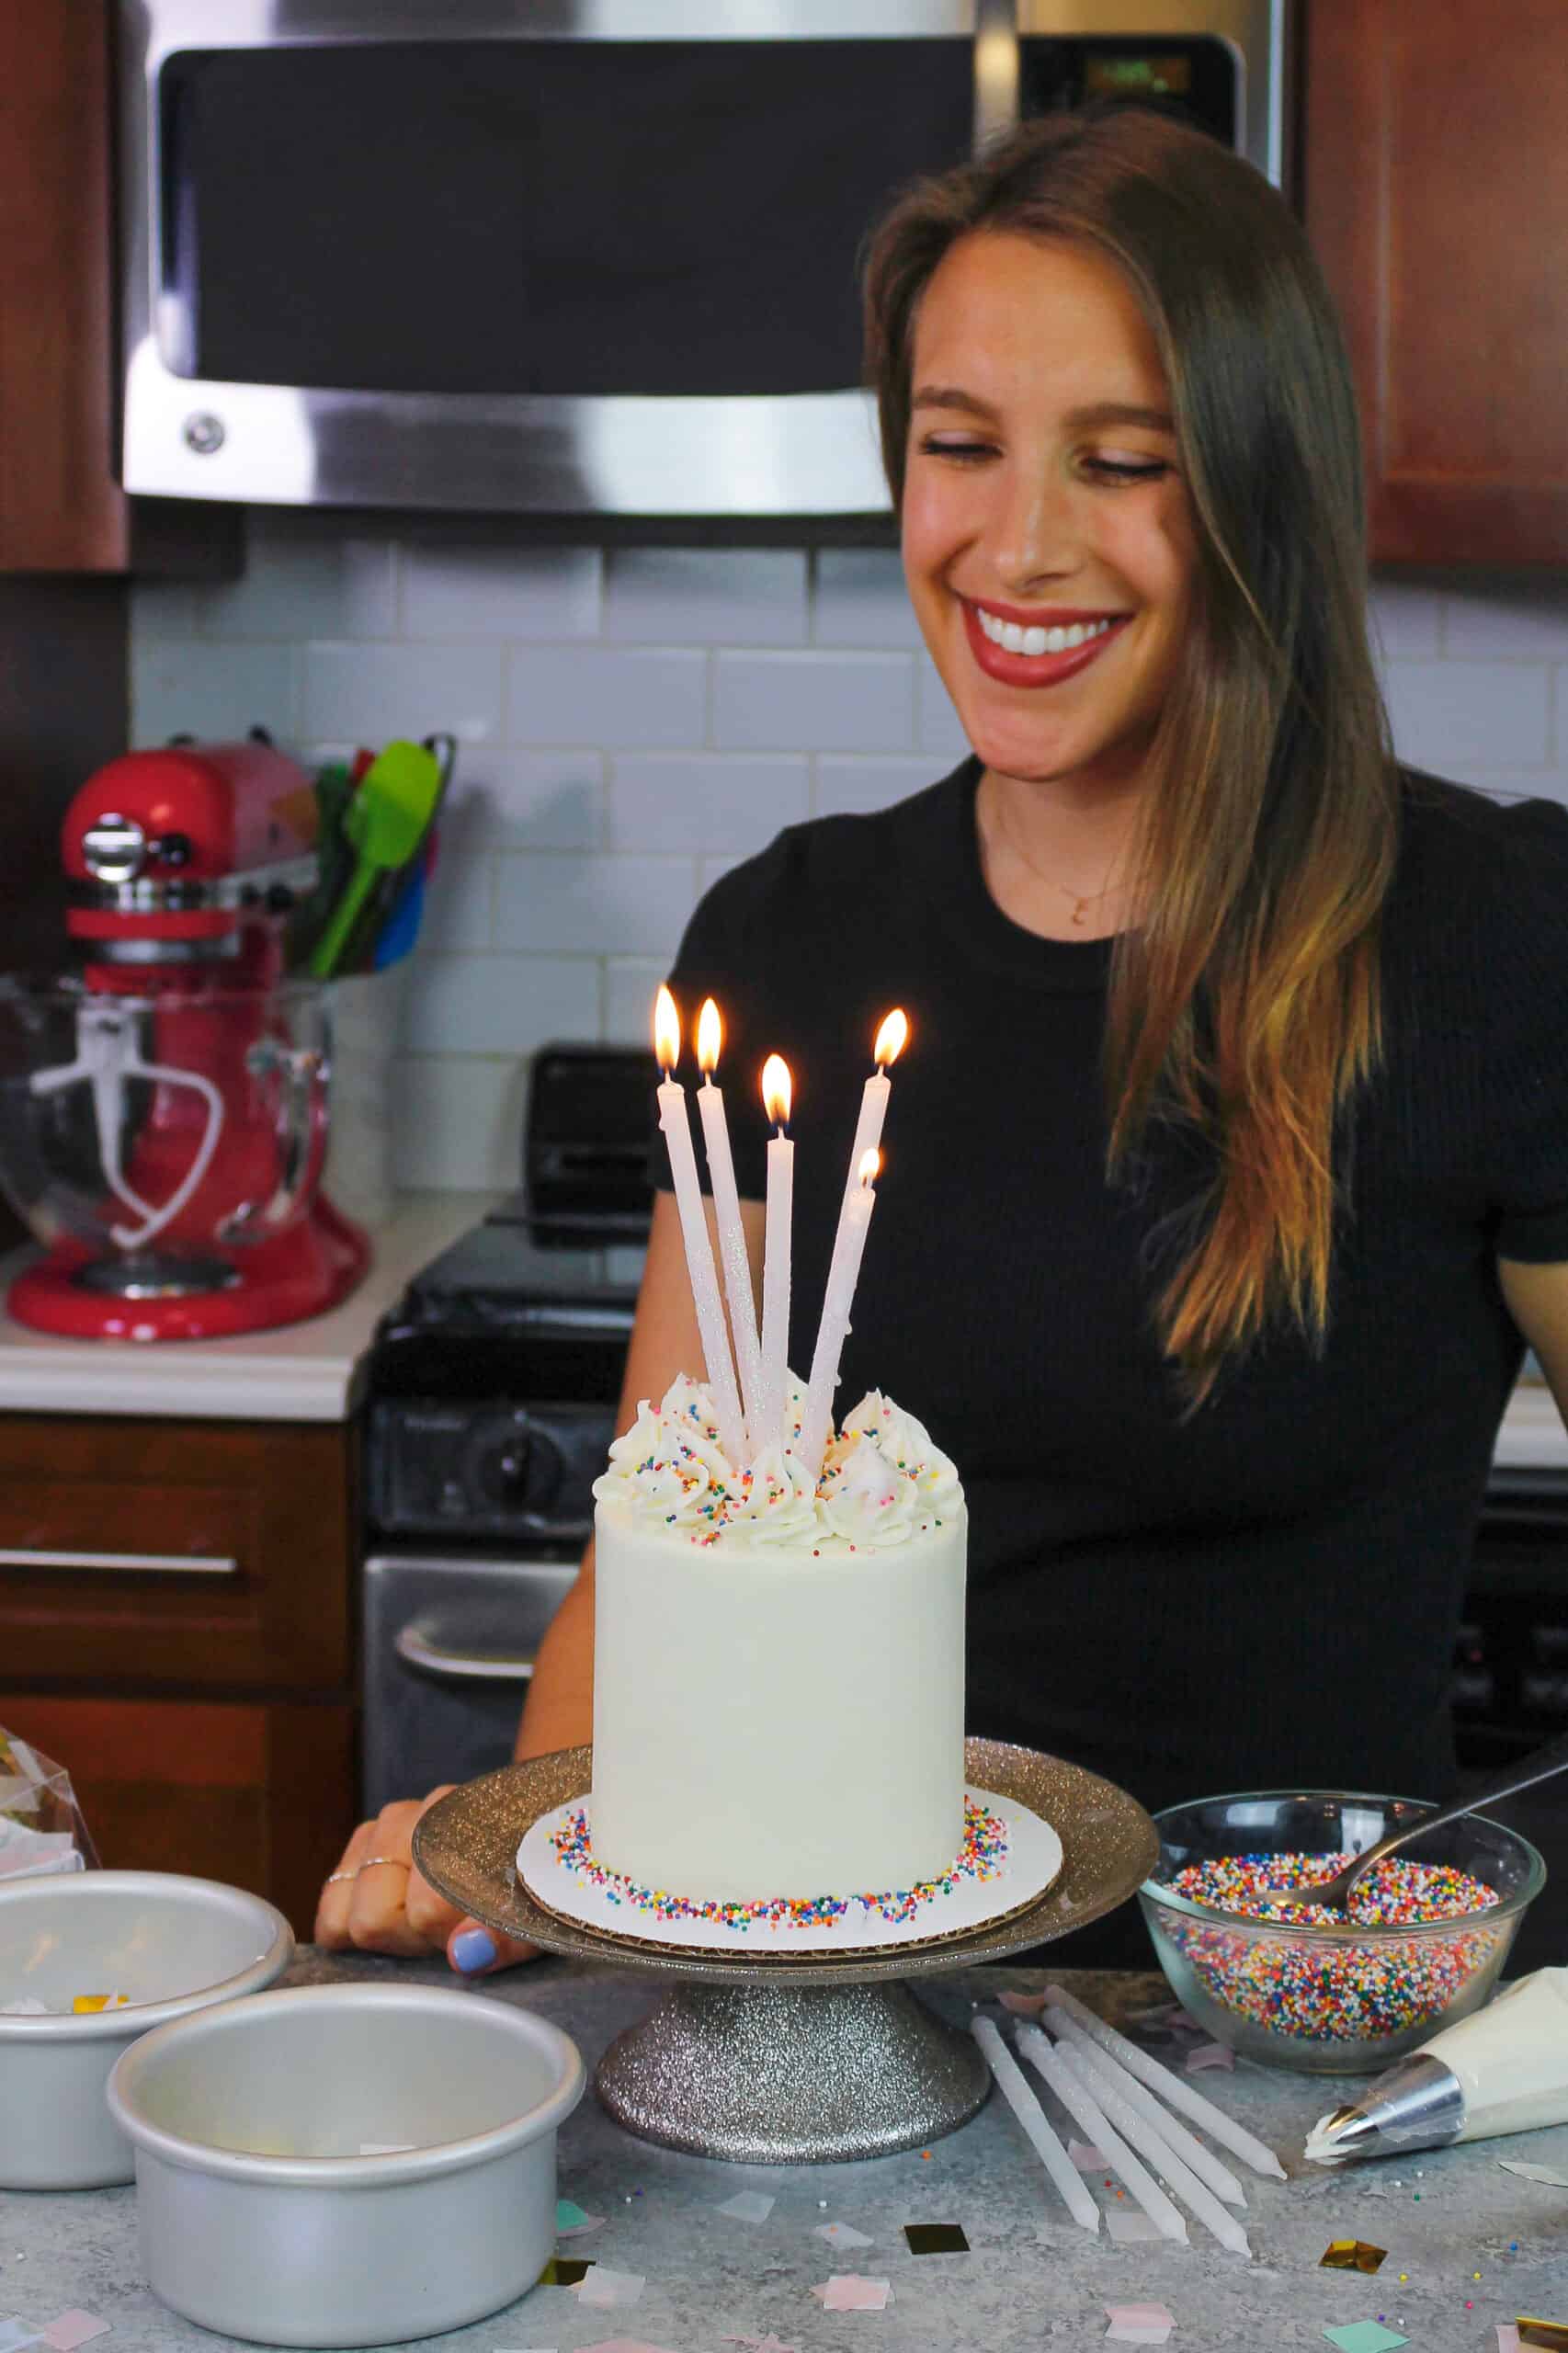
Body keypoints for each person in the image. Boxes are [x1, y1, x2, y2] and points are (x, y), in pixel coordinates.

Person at [318, 102, 1568, 1974]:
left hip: (1281, 2031)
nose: (1018, 543)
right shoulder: (788, 938)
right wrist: (508, 1880)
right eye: (957, 445)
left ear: (1250, 485)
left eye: (1120, 460)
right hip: (828, 2019)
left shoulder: (1490, 936)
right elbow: (655, 1567)